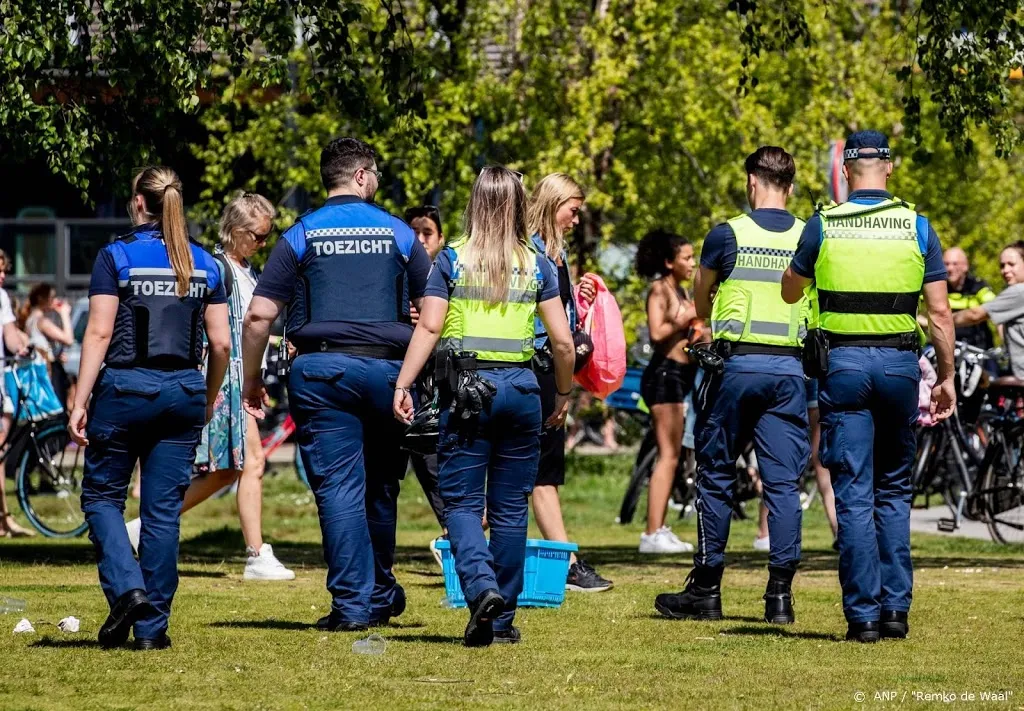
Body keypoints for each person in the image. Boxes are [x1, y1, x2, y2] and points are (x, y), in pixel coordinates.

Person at [241, 137, 431, 632]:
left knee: (339, 489)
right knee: (381, 488)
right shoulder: (398, 234)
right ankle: (380, 591)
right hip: (391, 374)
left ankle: (353, 605)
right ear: (363, 176)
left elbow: (260, 314)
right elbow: (433, 309)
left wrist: (252, 377)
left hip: (322, 374)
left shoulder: (300, 235)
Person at [781, 130, 956, 643]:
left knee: (853, 491)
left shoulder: (823, 225)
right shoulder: (917, 227)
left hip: (844, 366)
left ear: (846, 172)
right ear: (890, 169)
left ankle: (862, 617)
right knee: (895, 490)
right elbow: (941, 313)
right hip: (901, 365)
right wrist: (945, 378)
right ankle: (896, 611)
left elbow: (791, 291)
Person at [393, 166, 575, 646]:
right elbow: (562, 340)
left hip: (467, 392)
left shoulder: (452, 259)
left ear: (475, 202)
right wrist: (563, 392)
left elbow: (429, 328)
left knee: (462, 504)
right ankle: (504, 618)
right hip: (521, 391)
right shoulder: (539, 264)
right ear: (519, 204)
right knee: (513, 509)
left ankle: (481, 590)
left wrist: (403, 384)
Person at [69, 166, 231, 650]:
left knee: (102, 499)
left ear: (139, 202)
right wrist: (206, 397)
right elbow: (221, 344)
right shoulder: (205, 263)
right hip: (182, 391)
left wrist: (79, 400)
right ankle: (152, 631)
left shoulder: (116, 255)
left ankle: (127, 590)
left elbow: (98, 333)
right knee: (162, 515)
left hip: (124, 389)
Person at [655, 146, 811, 626]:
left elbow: (700, 301)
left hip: (737, 368)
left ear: (751, 181)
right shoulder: (811, 235)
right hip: (790, 370)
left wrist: (709, 305)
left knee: (716, 475)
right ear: (790, 184)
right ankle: (779, 597)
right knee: (783, 484)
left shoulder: (726, 235)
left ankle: (706, 589)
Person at [124, 192, 294, 581]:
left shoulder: (245, 269)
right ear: (236, 231)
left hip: (239, 378)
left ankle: (143, 526)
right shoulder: (220, 269)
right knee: (247, 463)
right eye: (258, 235)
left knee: (231, 469)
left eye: (267, 236)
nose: (263, 243)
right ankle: (255, 555)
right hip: (226, 378)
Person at [527, 172, 611, 593]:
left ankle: (566, 562)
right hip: (535, 369)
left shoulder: (554, 254)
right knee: (540, 472)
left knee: (538, 471)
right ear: (553, 203)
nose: (577, 220)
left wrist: (577, 300)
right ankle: (568, 565)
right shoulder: (529, 250)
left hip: (549, 368)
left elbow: (557, 313)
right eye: (572, 211)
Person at [634, 229, 698, 554]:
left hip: (682, 376)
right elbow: (658, 331)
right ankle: (651, 533)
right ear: (669, 262)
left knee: (673, 455)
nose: (692, 262)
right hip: (663, 375)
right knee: (669, 455)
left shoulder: (683, 291)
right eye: (686, 257)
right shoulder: (660, 289)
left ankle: (660, 528)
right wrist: (684, 319)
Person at [403, 205, 448, 554]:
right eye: (414, 232)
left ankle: (456, 528)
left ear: (440, 238)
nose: (420, 239)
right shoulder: (396, 274)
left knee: (434, 457)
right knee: (419, 459)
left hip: (441, 381)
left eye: (427, 232)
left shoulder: (447, 272)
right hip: (403, 379)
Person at [952, 241, 1024, 377]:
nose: (1005, 270)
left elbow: (975, 314)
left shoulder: (1019, 291)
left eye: (1011, 264)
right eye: (1002, 265)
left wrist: (938, 320)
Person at [0, 249, 33, 538]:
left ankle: (4, 518)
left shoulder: (1, 298)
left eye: (3, 271)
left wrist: (22, 345)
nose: (2, 276)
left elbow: (9, 334)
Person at [19, 283, 74, 404]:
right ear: (42, 299)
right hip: (49, 375)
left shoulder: (30, 320)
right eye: (52, 297)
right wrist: (64, 314)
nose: (54, 300)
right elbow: (69, 339)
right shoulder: (42, 322)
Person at [943, 247, 996, 350]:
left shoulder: (978, 287)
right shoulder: (937, 288)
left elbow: (996, 307)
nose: (950, 268)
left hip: (978, 349)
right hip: (948, 348)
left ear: (965, 266)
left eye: (955, 264)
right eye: (946, 264)